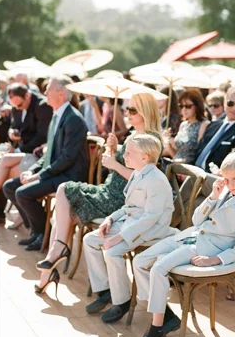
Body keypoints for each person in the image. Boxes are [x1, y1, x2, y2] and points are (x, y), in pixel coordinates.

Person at [130, 151, 235, 337]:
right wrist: (213, 197)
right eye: (226, 179)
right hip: (192, 236)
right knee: (140, 260)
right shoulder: (224, 191)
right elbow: (197, 220)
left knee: (159, 267)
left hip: (209, 248)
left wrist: (216, 259)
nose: (230, 183)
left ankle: (155, 332)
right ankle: (167, 316)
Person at [35, 93, 163, 290]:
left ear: (146, 113)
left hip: (122, 199)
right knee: (64, 201)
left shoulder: (151, 140)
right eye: (127, 108)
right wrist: (114, 149)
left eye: (132, 109)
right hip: (110, 190)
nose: (127, 112)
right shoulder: (135, 135)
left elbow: (145, 178)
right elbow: (127, 165)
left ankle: (55, 257)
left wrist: (114, 163)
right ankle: (52, 262)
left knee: (65, 192)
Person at [82, 134, 175, 323]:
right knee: (90, 240)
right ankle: (107, 289)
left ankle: (122, 301)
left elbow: (151, 218)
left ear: (145, 157)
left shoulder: (155, 179)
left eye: (130, 152)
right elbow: (129, 207)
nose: (125, 155)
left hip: (151, 230)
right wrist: (110, 218)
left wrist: (119, 237)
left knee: (113, 251)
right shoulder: (138, 173)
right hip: (132, 223)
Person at [3, 76, 89, 253]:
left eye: (48, 89)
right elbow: (49, 153)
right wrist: (33, 170)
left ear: (61, 93)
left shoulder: (73, 119)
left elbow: (67, 158)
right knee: (10, 187)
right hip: (57, 171)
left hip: (68, 176)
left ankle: (44, 233)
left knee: (22, 193)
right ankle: (38, 230)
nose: (44, 93)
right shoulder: (58, 115)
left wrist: (39, 175)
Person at [0, 83, 52, 225]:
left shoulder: (42, 106)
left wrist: (19, 150)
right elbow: (14, 127)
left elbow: (42, 136)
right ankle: (4, 213)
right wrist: (12, 134)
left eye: (19, 105)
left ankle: (10, 214)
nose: (17, 108)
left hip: (36, 154)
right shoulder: (16, 106)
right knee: (4, 165)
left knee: (5, 164)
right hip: (21, 152)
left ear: (27, 96)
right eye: (14, 106)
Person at [194, 86, 235, 173]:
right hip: (193, 172)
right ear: (224, 102)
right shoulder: (213, 125)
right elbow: (198, 150)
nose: (234, 108)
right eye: (230, 103)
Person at [163, 89, 209, 164]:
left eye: (188, 106)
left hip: (190, 168)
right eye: (181, 106)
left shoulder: (204, 124)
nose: (184, 109)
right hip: (176, 165)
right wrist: (168, 143)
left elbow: (198, 153)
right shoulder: (183, 124)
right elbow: (178, 153)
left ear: (197, 106)